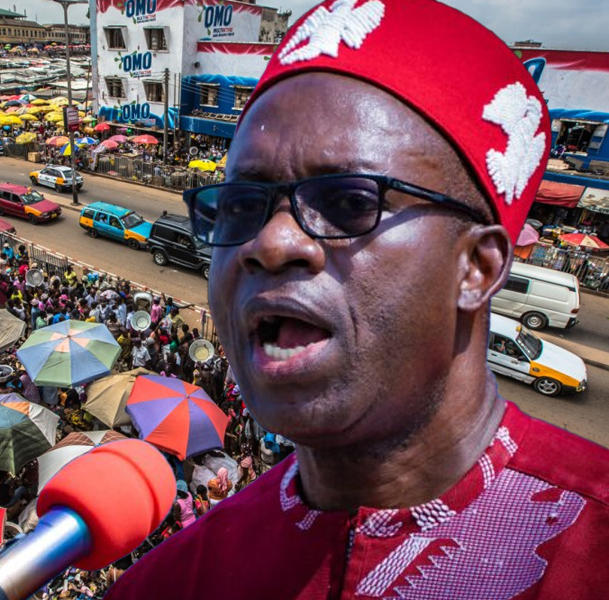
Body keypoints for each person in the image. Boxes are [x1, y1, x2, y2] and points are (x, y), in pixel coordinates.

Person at [104, 1, 609, 598]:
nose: (271, 242)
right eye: (241, 206)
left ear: (477, 267)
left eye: (349, 202)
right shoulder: (171, 583)